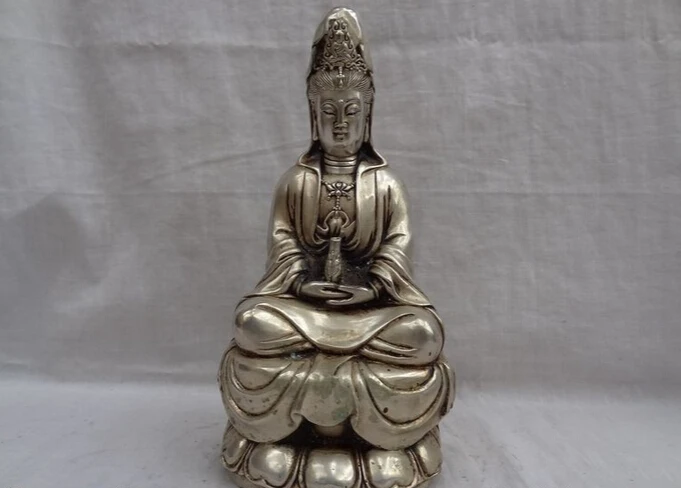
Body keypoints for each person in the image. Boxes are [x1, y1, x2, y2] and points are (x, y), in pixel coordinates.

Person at [218, 8, 454, 488]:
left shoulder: (387, 185)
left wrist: (372, 290)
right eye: (329, 113)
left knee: (422, 334)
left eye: (351, 112)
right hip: (305, 309)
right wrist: (302, 284)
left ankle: (305, 431)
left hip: (370, 312)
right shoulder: (295, 182)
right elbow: (283, 247)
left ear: (368, 115)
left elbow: (397, 250)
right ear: (313, 115)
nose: (340, 125)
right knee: (252, 324)